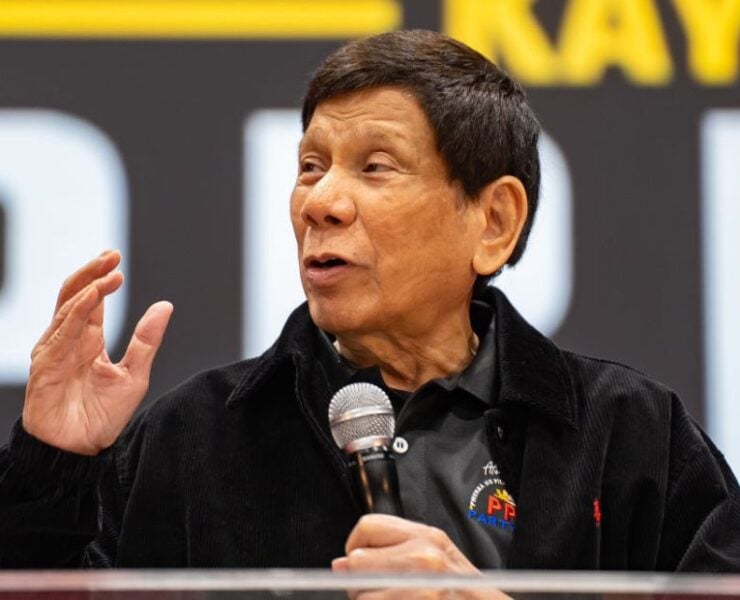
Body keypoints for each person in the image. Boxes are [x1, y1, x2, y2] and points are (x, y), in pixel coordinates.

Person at [1, 30, 739, 584]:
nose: (320, 202)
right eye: (310, 166)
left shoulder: (630, 434)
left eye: (376, 167)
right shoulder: (191, 437)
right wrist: (51, 468)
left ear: (494, 222)